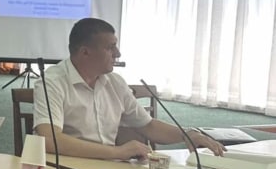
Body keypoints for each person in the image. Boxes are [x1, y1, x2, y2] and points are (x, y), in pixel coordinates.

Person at [32, 18, 225, 160]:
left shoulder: (115, 82)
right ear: (85, 52)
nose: (118, 53)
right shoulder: (52, 82)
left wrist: (187, 135)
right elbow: (49, 139)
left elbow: (148, 126)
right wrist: (117, 152)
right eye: (110, 47)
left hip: (109, 168)